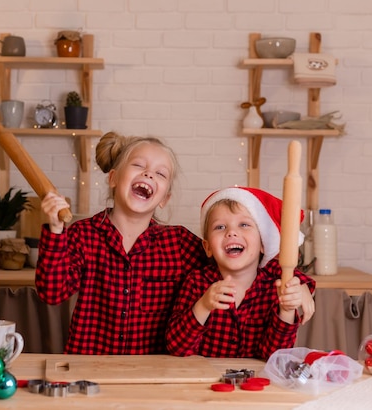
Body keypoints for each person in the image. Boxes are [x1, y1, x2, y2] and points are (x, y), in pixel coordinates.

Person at [35, 131, 208, 354]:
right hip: (90, 371)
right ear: (113, 178)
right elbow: (51, 293)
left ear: (165, 199)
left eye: (160, 173)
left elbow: (225, 265)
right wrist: (56, 230)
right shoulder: (83, 234)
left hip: (152, 375)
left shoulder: (181, 245)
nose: (148, 174)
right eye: (138, 165)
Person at [166, 186, 316, 359]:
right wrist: (204, 306)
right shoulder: (197, 283)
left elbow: (273, 356)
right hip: (204, 381)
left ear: (263, 244)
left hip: (255, 383)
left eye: (244, 225)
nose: (231, 232)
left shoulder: (274, 288)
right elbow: (176, 348)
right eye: (220, 227)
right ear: (207, 247)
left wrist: (287, 311)